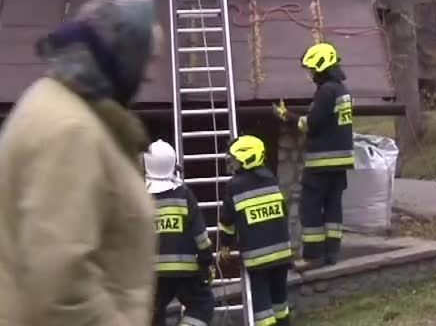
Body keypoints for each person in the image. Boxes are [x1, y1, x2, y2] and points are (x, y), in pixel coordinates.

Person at [0, 0, 162, 326]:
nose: (149, 76)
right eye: (146, 61)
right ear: (117, 57)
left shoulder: (58, 107)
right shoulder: (71, 131)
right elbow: (62, 285)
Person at [274, 41, 354, 269]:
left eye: (312, 70)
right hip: (341, 162)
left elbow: (311, 124)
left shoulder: (326, 91)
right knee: (332, 206)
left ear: (321, 67)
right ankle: (332, 254)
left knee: (309, 206)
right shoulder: (342, 90)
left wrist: (286, 116)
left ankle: (312, 256)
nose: (310, 74)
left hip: (322, 161)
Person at [218, 135, 293, 326]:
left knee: (262, 311)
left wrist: (225, 244)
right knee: (280, 303)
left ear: (247, 159)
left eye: (234, 160)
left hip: (258, 258)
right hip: (282, 253)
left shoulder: (234, 186)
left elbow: (227, 220)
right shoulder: (271, 179)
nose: (232, 164)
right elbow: (282, 212)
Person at [145, 139, 217, 326]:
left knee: (153, 312)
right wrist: (206, 262)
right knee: (203, 303)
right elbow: (201, 236)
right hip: (185, 271)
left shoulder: (140, 197)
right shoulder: (184, 195)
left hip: (152, 273)